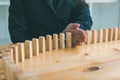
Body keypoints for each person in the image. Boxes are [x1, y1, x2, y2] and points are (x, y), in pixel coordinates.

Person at [9, 0, 92, 46]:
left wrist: (76, 32)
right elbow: (17, 33)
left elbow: (85, 17)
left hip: (71, 51)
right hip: (37, 57)